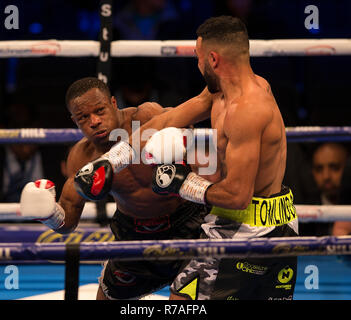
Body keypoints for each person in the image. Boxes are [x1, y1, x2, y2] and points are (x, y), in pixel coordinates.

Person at [79, 16, 299, 300]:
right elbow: (169, 118)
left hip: (247, 226)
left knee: (181, 301)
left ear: (214, 59)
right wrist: (111, 161)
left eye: (198, 57)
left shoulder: (246, 110)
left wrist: (182, 183)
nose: (197, 65)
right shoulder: (224, 92)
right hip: (279, 218)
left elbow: (238, 196)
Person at [19, 77, 210, 300]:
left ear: (113, 102)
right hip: (133, 235)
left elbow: (195, 131)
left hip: (187, 225)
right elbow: (68, 220)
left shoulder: (146, 117)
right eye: (83, 117)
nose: (94, 121)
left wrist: (180, 141)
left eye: (99, 111)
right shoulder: (82, 157)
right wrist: (49, 214)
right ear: (74, 121)